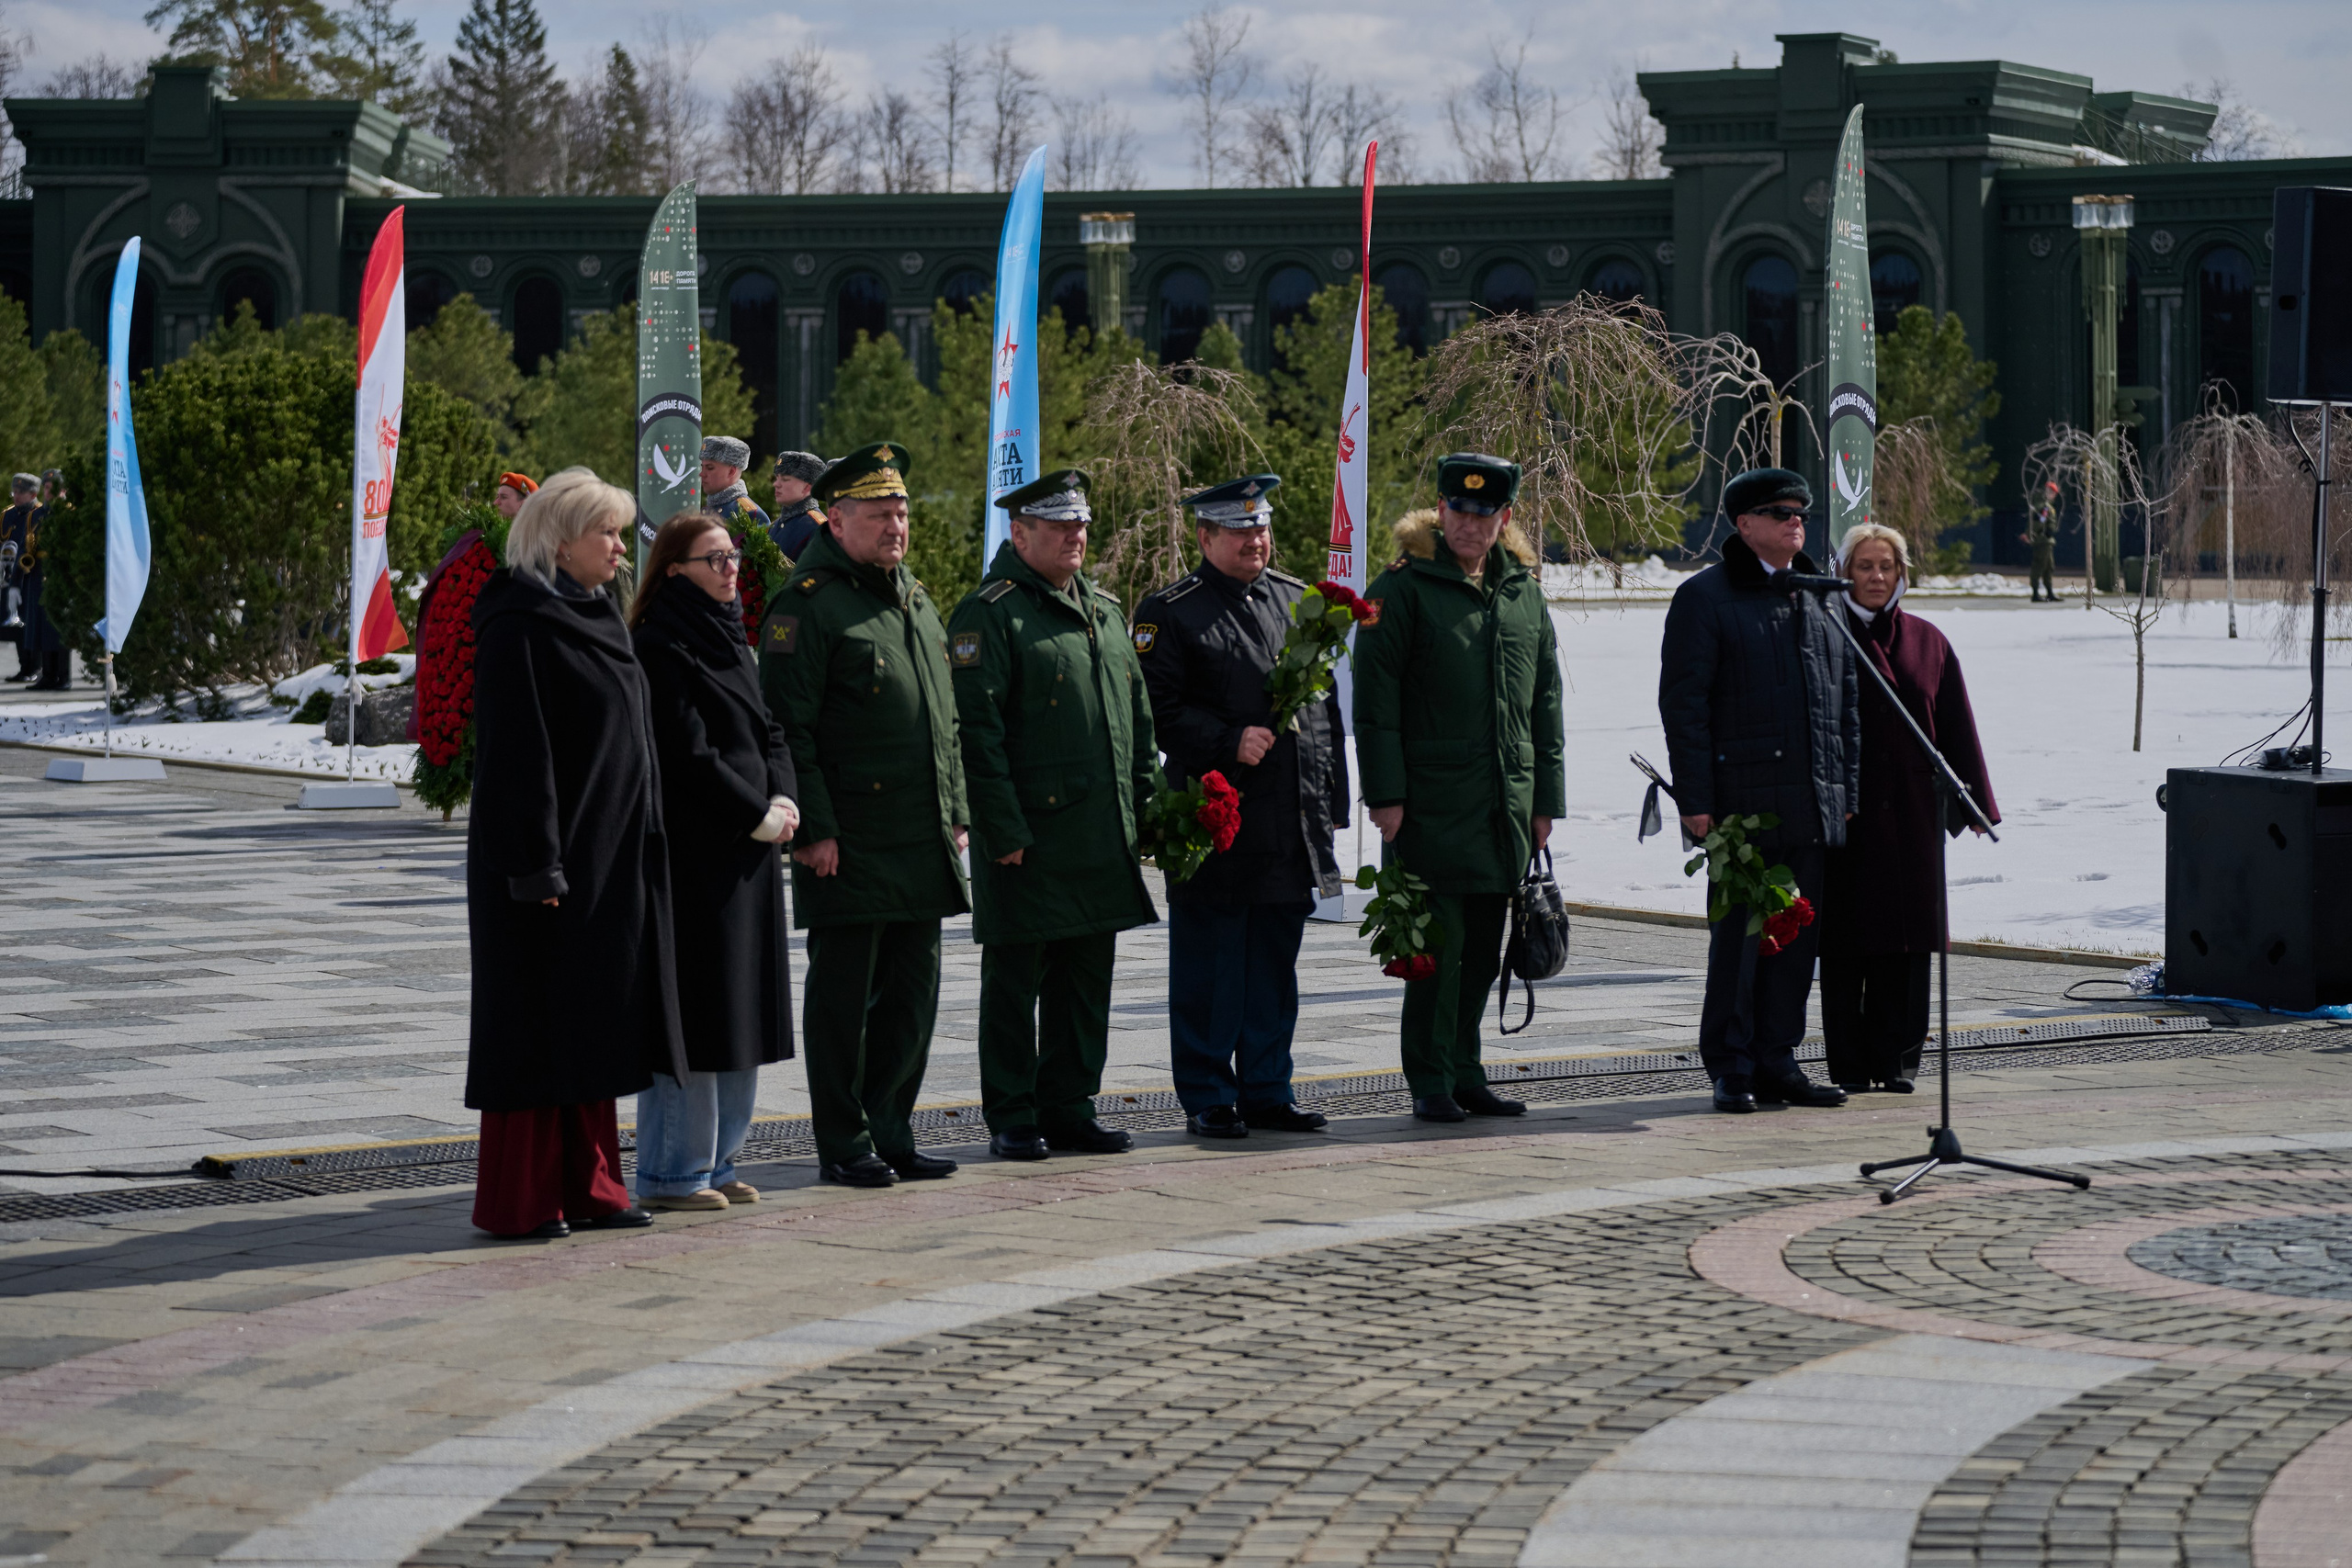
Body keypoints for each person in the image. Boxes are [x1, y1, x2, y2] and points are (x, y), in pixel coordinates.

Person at [463, 468, 680, 1239]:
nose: (622, 550)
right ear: (560, 543)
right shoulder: (517, 621)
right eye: (608, 535)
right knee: (534, 1032)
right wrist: (535, 864)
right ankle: (523, 1200)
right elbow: (516, 759)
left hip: (607, 861)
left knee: (592, 1025)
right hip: (541, 870)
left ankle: (592, 1186)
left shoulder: (598, 612)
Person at [758, 442, 969, 1189]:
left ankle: (893, 1129)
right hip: (847, 841)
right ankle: (844, 1140)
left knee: (913, 998)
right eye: (880, 514)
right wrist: (812, 830)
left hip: (920, 837)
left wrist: (957, 811)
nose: (896, 526)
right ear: (837, 519)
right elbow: (788, 728)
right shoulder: (807, 604)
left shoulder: (912, 595)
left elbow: (944, 720)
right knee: (845, 1000)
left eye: (902, 512)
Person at [947, 469, 1159, 1162]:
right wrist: (1002, 831)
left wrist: (1146, 810)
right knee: (1015, 986)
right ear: (1021, 533)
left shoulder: (1100, 605)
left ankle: (1070, 1104)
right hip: (1031, 841)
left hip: (1099, 834)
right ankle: (1012, 1111)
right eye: (1060, 526)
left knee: (1084, 983)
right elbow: (976, 734)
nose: (1076, 535)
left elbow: (1135, 722)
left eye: (1081, 525)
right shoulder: (992, 611)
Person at [1133, 473, 1349, 1139]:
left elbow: (1324, 711)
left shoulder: (1297, 600)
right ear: (1206, 536)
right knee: (1211, 965)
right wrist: (1226, 739)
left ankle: (1267, 1087)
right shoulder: (1172, 609)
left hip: (1288, 820)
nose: (1254, 539)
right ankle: (1207, 1093)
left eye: (1260, 526)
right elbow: (1157, 711)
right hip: (1214, 820)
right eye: (1238, 529)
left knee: (1272, 968)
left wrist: (1331, 803)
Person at [1354, 454, 1565, 1123]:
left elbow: (1546, 701)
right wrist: (1385, 795)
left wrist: (1544, 801)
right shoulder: (1404, 588)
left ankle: (1469, 1070)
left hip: (1502, 803)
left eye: (1485, 515)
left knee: (1482, 949)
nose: (1470, 526)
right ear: (1440, 511)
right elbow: (1375, 704)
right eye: (1459, 512)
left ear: (1504, 519)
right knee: (1433, 952)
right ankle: (1430, 1075)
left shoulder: (1522, 590)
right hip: (1429, 806)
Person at [1659, 468, 1859, 1115]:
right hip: (1740, 808)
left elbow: (1845, 702)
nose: (1795, 521)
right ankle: (1732, 1064)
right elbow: (1684, 706)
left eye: (1800, 512)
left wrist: (1845, 786)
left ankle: (1779, 1057)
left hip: (1811, 801)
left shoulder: (1819, 596)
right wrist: (1694, 797)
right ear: (1744, 525)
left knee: (1796, 940)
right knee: (1741, 943)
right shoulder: (1705, 597)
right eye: (1778, 513)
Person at [628, 512, 801, 1210]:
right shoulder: (661, 641)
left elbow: (769, 728)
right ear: (675, 570)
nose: (732, 568)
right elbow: (685, 750)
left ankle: (722, 1160)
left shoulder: (729, 634)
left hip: (749, 853)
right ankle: (674, 1172)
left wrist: (784, 796)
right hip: (698, 857)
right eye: (715, 559)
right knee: (695, 1016)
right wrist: (753, 811)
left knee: (742, 1014)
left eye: (731, 556)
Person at [1820, 524, 1999, 1093]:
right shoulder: (1825, 633)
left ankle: (1898, 1059)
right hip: (1848, 815)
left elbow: (1956, 726)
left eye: (1886, 568)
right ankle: (1848, 1063)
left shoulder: (1928, 640)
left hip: (1913, 816)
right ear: (1845, 573)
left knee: (1908, 938)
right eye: (1865, 567)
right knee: (1847, 944)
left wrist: (1976, 802)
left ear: (1901, 575)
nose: (1876, 577)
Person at [16, 471, 66, 691]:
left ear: (63, 490)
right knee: (42, 626)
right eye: (46, 488)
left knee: (60, 629)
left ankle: (63, 677)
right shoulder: (37, 515)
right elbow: (25, 545)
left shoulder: (69, 513)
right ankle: (48, 675)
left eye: (53, 488)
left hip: (60, 575)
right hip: (39, 575)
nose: (49, 492)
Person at [2, 474, 36, 682]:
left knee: (31, 624)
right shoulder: (7, 515)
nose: (16, 496)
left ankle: (35, 667)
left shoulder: (38, 513)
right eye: (15, 492)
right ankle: (25, 666)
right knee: (15, 626)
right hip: (9, 576)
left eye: (21, 493)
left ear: (33, 494)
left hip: (31, 577)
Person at [701, 436, 770, 537]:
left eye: (710, 468)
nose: (702, 474)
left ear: (731, 472)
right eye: (702, 467)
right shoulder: (706, 509)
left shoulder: (750, 514)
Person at [770, 450, 829, 563]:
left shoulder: (818, 528)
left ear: (807, 487)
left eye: (785, 479)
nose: (776, 484)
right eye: (777, 478)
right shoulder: (774, 526)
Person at [2020, 484, 2059, 603]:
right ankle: (2036, 593)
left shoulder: (2046, 506)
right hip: (2042, 541)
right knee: (2039, 566)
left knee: (2049, 567)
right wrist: (2031, 535)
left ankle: (2049, 592)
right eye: (2053, 493)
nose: (2054, 496)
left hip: (2046, 541)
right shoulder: (2044, 507)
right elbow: (2039, 522)